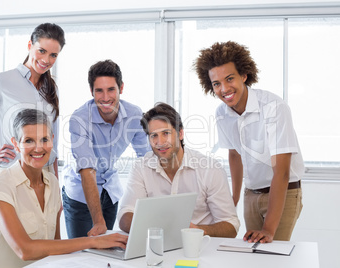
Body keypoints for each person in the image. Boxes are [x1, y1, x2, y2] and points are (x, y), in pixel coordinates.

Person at [0, 109, 128, 268]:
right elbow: (25, 250)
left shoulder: (52, 182)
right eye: (29, 140)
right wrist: (92, 242)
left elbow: (55, 245)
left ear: (52, 140)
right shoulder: (2, 184)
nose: (38, 148)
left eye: (44, 139)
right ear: (16, 144)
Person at [194, 41, 304, 243]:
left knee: (271, 252)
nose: (224, 89)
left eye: (229, 79)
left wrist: (269, 229)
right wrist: (232, 203)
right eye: (216, 84)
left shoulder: (274, 107)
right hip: (251, 194)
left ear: (244, 76)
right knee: (253, 257)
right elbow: (235, 156)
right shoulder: (222, 113)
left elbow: (282, 171)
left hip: (284, 191)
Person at [0, 23, 65, 177]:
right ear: (30, 45)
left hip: (46, 174)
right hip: (13, 174)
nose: (46, 59)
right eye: (42, 51)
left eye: (53, 55)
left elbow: (53, 144)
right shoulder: (3, 81)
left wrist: (55, 185)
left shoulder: (52, 89)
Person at [117, 102, 240, 238]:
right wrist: (156, 230)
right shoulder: (140, 167)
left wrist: (196, 230)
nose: (160, 142)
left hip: (200, 247)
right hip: (158, 246)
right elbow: (125, 215)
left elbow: (231, 226)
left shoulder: (210, 168)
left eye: (166, 133)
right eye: (154, 136)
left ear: (180, 133)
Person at [62, 59, 151, 238]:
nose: (105, 98)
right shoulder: (80, 119)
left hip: (110, 192)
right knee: (82, 255)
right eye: (99, 91)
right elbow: (87, 171)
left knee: (105, 256)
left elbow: (147, 159)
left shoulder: (134, 115)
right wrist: (98, 221)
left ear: (121, 88)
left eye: (111, 89)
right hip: (79, 195)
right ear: (91, 91)